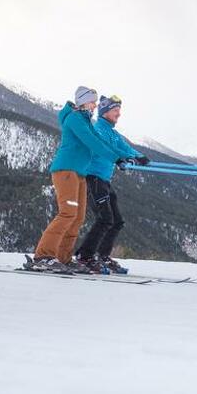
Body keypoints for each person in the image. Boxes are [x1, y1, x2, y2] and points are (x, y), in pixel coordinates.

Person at [30, 87, 135, 272]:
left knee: (77, 218)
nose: (95, 105)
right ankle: (43, 256)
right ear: (83, 101)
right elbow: (92, 142)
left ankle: (63, 258)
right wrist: (116, 158)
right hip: (66, 170)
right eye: (92, 101)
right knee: (67, 213)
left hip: (79, 173)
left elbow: (102, 142)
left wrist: (123, 156)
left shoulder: (85, 120)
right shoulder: (74, 119)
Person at [75, 95, 149, 273]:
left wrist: (138, 156)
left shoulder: (112, 132)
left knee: (117, 221)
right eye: (116, 110)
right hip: (93, 178)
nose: (119, 114)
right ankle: (84, 256)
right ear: (106, 112)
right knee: (105, 219)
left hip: (104, 180)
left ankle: (102, 256)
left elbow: (123, 147)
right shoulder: (98, 129)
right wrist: (124, 158)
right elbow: (106, 148)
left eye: (119, 110)